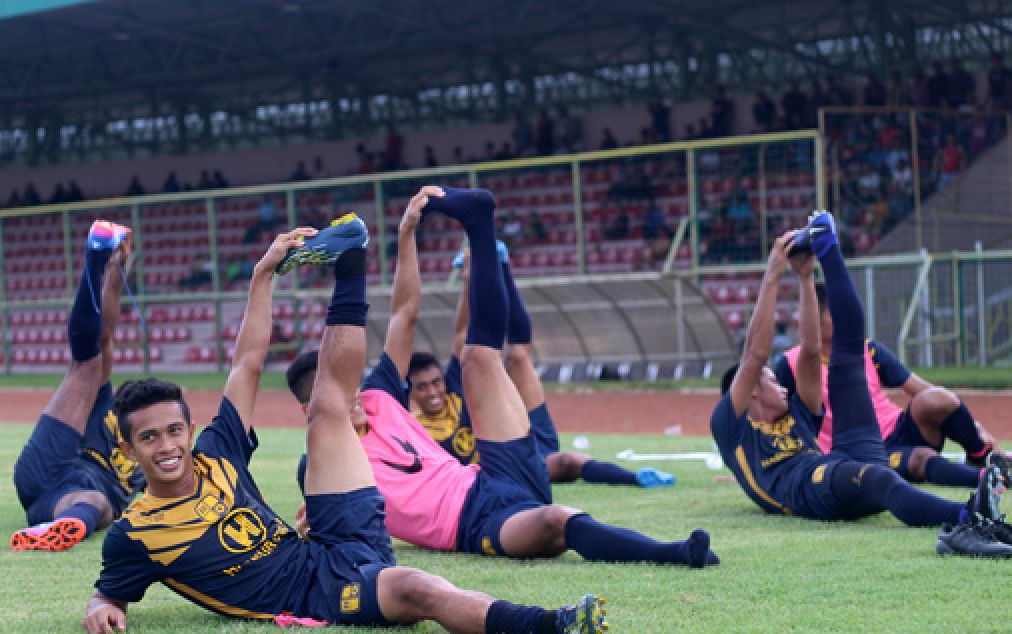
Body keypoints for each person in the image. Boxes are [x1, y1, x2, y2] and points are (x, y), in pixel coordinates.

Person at [83, 221, 608, 633]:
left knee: (329, 409)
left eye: (175, 430)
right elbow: (110, 591)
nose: (168, 446)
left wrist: (264, 273)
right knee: (416, 587)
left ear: (190, 429)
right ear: (128, 450)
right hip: (315, 593)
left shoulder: (215, 453)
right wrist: (102, 606)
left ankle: (351, 261)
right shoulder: (134, 534)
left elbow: (246, 362)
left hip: (329, 540)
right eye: (149, 438)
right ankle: (545, 623)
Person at [289, 187, 718, 569]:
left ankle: (480, 223)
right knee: (556, 521)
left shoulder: (381, 396)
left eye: (353, 386)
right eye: (344, 393)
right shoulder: (324, 459)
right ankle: (676, 552)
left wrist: (406, 235)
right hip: (474, 523)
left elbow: (404, 314)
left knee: (478, 358)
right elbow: (326, 522)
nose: (357, 395)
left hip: (493, 473)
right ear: (313, 409)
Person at [713, 211, 1011, 557]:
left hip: (841, 460)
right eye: (770, 381)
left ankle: (829, 246)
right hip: (810, 490)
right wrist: (772, 276)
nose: (782, 387)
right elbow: (753, 356)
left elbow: (809, 350)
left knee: (850, 349)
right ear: (749, 390)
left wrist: (806, 278)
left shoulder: (795, 412)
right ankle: (967, 518)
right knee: (885, 479)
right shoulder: (732, 427)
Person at [407, 245, 673, 489]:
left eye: (435, 383)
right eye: (423, 387)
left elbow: (463, 331)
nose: (433, 392)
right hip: (514, 466)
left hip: (524, 430)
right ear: (411, 392)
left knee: (519, 358)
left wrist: (467, 281)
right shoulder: (415, 430)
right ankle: (636, 478)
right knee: (568, 461)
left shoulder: (453, 388)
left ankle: (502, 263)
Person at [773, 282, 1011, 488]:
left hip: (901, 428)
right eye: (835, 312)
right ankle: (992, 479)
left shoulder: (869, 349)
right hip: (865, 451)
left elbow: (924, 390)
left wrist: (974, 426)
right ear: (812, 318)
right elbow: (780, 419)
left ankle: (980, 454)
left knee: (937, 398)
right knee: (921, 458)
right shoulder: (790, 364)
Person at [11, 220, 144, 552]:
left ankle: (59, 529)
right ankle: (95, 257)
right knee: (88, 365)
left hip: (66, 494)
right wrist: (115, 270)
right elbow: (106, 336)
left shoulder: (148, 462)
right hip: (53, 458)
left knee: (94, 503)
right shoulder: (106, 406)